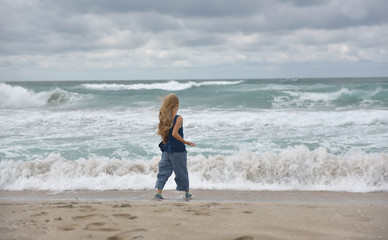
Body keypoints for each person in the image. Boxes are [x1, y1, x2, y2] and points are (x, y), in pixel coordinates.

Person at [155, 94, 195, 200]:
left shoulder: (164, 118)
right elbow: (174, 133)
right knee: (182, 171)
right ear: (177, 105)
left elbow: (160, 132)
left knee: (163, 171)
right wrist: (186, 142)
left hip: (166, 149)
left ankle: (158, 193)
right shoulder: (179, 118)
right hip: (178, 150)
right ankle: (187, 193)